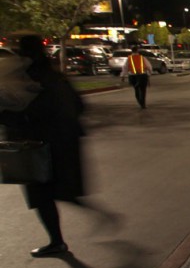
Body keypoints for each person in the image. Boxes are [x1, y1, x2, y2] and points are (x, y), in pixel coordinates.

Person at [1, 34, 118, 256]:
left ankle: (57, 241)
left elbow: (27, 114)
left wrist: (8, 118)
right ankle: (94, 217)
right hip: (65, 142)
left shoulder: (25, 80)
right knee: (60, 188)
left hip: (36, 146)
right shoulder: (56, 76)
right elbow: (80, 105)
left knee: (41, 194)